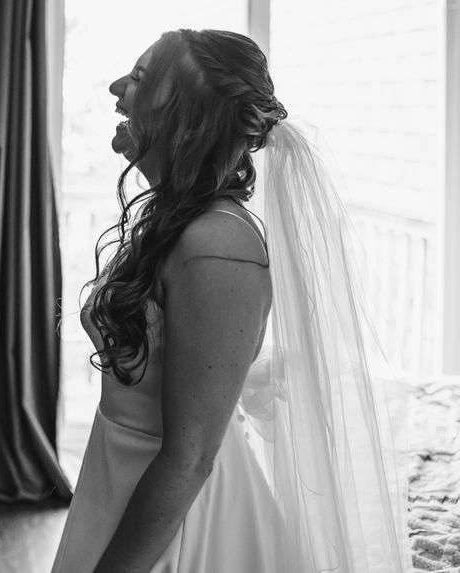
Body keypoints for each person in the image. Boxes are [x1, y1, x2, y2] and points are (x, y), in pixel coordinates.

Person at [52, 29, 408, 572]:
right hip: (120, 476)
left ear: (189, 113)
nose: (117, 90)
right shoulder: (177, 223)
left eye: (141, 80)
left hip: (178, 522)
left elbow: (191, 458)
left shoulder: (218, 245)